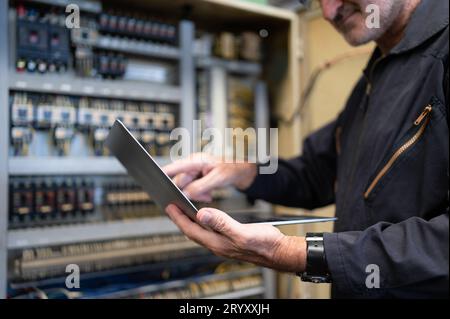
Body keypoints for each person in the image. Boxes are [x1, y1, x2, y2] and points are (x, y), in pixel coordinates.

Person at [163, 0, 449, 298]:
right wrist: (240, 172)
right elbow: (317, 174)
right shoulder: (376, 77)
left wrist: (290, 252)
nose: (328, 12)